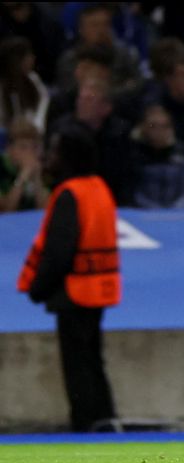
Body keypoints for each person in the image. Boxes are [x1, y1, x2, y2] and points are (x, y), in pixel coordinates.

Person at [17, 122, 121, 432]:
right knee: (93, 360)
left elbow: (59, 253)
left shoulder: (69, 194)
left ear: (67, 157)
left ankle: (85, 422)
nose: (49, 157)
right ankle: (103, 418)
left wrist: (37, 288)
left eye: (54, 151)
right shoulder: (99, 189)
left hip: (74, 290)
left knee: (77, 364)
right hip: (100, 288)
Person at [0, 117, 49, 212]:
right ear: (9, 149)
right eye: (23, 147)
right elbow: (6, 211)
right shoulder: (1, 167)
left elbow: (45, 212)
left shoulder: (43, 168)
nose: (29, 152)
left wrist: (37, 179)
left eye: (34, 147)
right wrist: (22, 176)